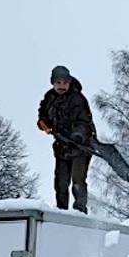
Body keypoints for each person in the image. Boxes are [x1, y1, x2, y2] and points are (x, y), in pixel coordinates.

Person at [37, 65, 95, 213]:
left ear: (69, 83)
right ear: (53, 83)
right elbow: (43, 115)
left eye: (65, 83)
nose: (62, 86)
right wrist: (43, 123)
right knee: (61, 182)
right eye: (58, 82)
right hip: (62, 147)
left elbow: (84, 121)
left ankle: (80, 211)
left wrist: (78, 134)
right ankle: (61, 211)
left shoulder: (77, 99)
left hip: (81, 147)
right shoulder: (49, 98)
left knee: (77, 180)